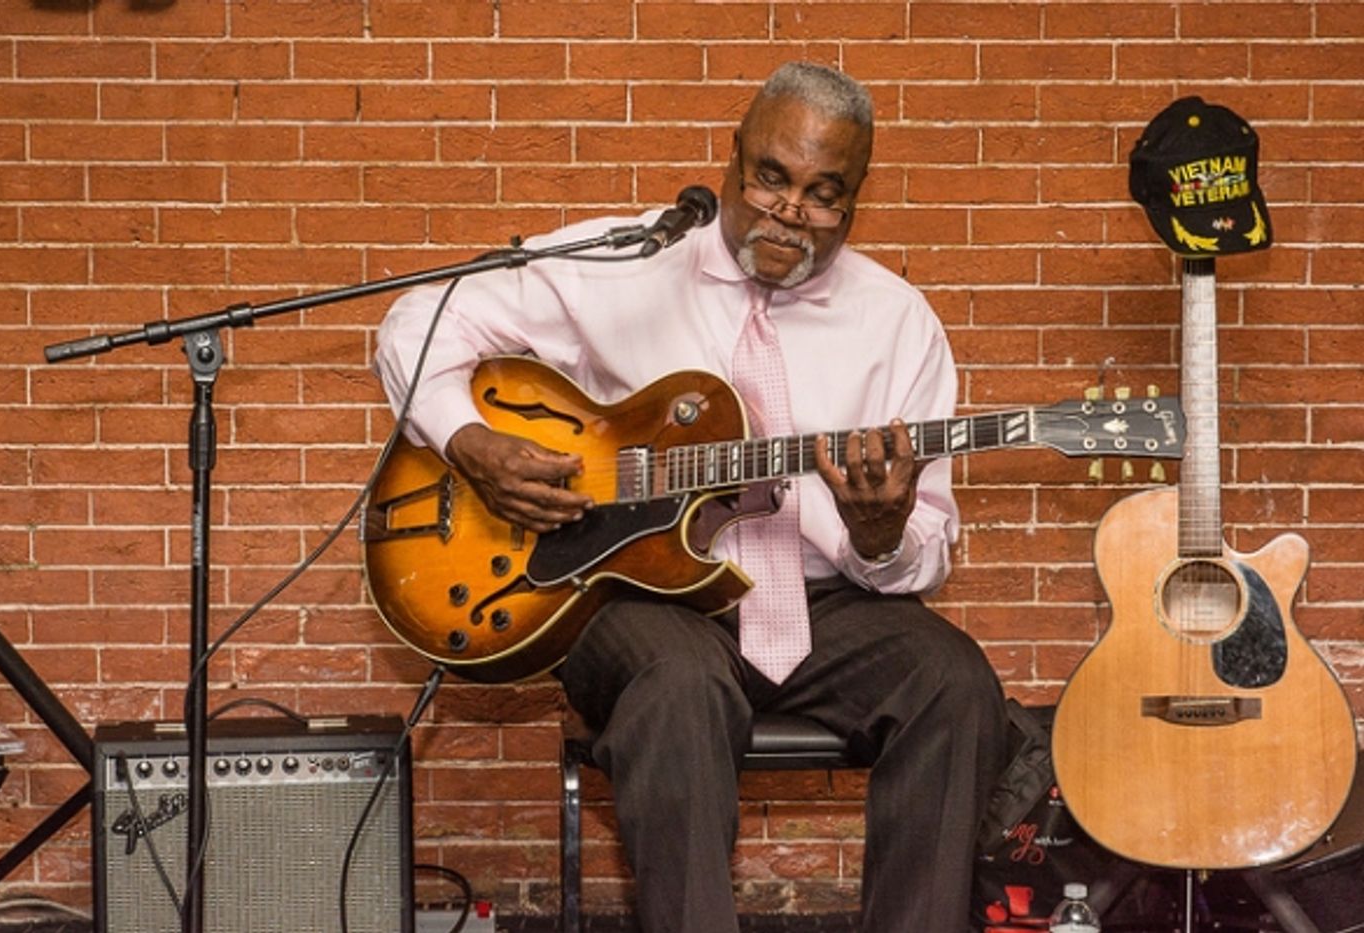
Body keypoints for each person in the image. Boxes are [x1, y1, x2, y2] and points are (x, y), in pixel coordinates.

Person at [375, 61, 1007, 933]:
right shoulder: (628, 262)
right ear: (732, 159)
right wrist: (469, 441)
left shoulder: (898, 323)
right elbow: (417, 322)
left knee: (955, 681)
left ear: (855, 200)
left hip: (824, 604)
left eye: (825, 194)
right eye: (772, 178)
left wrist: (882, 532)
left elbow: (924, 545)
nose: (791, 211)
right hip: (632, 599)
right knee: (679, 685)